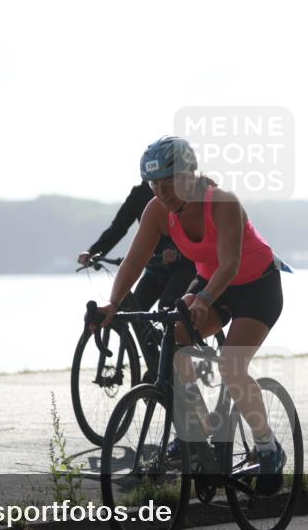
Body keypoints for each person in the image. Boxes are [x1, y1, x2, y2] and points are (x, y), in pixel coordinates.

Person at [94, 136, 286, 494]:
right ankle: (195, 428)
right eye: (155, 184)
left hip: (256, 286)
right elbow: (135, 261)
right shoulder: (157, 211)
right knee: (175, 339)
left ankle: (268, 446)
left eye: (168, 182)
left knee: (232, 366)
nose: (161, 191)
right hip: (212, 284)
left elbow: (230, 264)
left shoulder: (222, 203)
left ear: (189, 175)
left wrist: (204, 298)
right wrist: (113, 304)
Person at [77, 181, 196, 312]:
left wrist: (175, 250)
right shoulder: (139, 193)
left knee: (166, 308)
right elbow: (118, 227)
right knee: (129, 310)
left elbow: (188, 222)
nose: (161, 189)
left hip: (184, 264)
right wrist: (93, 251)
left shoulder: (179, 189)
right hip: (155, 265)